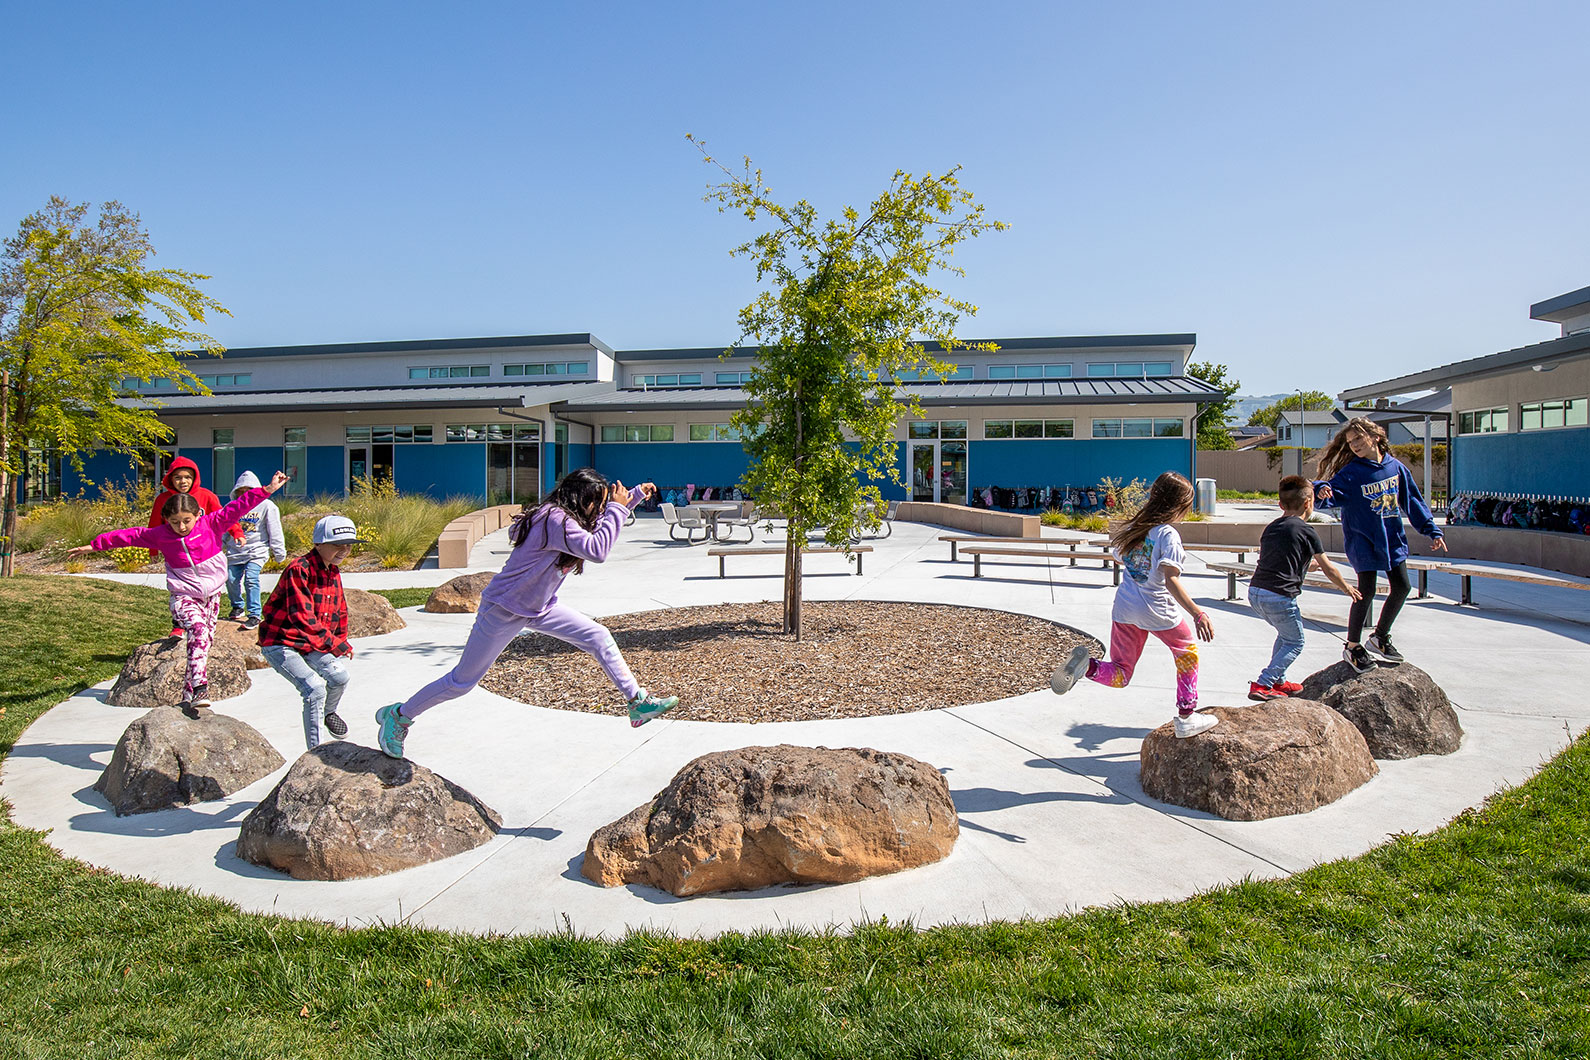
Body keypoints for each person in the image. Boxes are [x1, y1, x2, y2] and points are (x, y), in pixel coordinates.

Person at [375, 468, 679, 760]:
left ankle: (637, 702)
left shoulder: (564, 519)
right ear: (580, 499)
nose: (599, 512)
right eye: (596, 505)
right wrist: (617, 508)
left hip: (539, 607)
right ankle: (399, 716)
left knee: (598, 635)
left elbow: (602, 528)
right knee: (461, 682)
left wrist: (634, 496)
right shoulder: (554, 519)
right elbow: (597, 550)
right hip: (504, 609)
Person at [69, 471, 291, 716]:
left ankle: (188, 698)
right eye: (175, 522)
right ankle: (200, 688)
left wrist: (269, 489)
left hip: (212, 596)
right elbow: (130, 536)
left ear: (199, 515)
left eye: (187, 520)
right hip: (183, 596)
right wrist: (95, 545)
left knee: (202, 643)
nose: (182, 527)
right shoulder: (161, 535)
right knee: (196, 630)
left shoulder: (212, 524)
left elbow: (240, 506)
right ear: (167, 520)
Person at [1049, 471, 1218, 738]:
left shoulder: (1133, 528)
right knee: (1187, 653)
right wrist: (1198, 613)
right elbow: (1170, 579)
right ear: (1179, 506)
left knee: (1121, 673)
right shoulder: (1168, 535)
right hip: (1157, 610)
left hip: (1125, 607)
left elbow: (1120, 557)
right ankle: (1186, 714)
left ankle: (1088, 668)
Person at [1312, 417, 1446, 672]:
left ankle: (1380, 637)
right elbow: (1327, 491)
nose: (1354, 445)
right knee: (1367, 592)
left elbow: (1413, 502)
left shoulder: (1396, 468)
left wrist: (1431, 529)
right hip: (1363, 541)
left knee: (1403, 586)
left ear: (1375, 437)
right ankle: (1352, 646)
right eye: (1350, 442)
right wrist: (1320, 490)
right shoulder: (1352, 472)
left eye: (1358, 439)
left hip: (1392, 538)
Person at [1245, 475, 1361, 701]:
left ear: (1281, 505)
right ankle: (1264, 682)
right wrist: (1346, 587)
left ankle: (1279, 681)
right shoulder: (1307, 531)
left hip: (1256, 592)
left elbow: (1280, 558)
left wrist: (1308, 566)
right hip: (1279, 597)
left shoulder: (1272, 528)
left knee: (1285, 634)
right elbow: (1330, 569)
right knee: (1295, 641)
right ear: (1309, 502)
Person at [257, 515, 363, 749]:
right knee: (314, 689)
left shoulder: (332, 570)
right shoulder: (299, 569)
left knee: (339, 677)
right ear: (318, 544)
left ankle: (329, 713)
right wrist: (333, 644)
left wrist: (340, 639)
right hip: (281, 642)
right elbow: (301, 617)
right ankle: (316, 752)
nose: (344, 550)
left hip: (310, 643)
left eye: (348, 545)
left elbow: (339, 610)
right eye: (337, 545)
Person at [223, 471, 287, 628]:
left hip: (256, 551)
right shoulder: (231, 507)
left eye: (248, 490)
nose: (244, 494)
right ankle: (237, 607)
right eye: (241, 491)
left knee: (251, 579)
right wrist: (217, 547)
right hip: (235, 552)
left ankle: (254, 614)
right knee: (230, 579)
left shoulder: (267, 506)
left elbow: (275, 529)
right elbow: (223, 529)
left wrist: (279, 552)